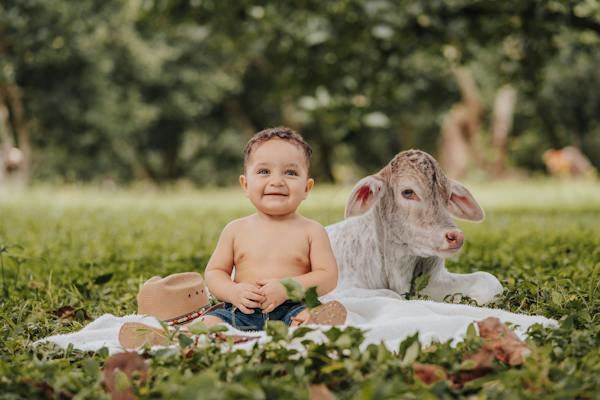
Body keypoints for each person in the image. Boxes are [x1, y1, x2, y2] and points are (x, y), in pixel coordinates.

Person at [202, 127, 345, 330]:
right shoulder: (235, 230)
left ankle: (313, 326)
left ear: (307, 188)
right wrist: (233, 291)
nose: (276, 181)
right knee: (210, 322)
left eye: (290, 172)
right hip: (242, 309)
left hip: (293, 307)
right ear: (245, 185)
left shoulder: (312, 231)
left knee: (311, 317)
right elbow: (215, 272)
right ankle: (216, 333)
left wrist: (288, 288)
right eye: (263, 172)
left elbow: (328, 276)